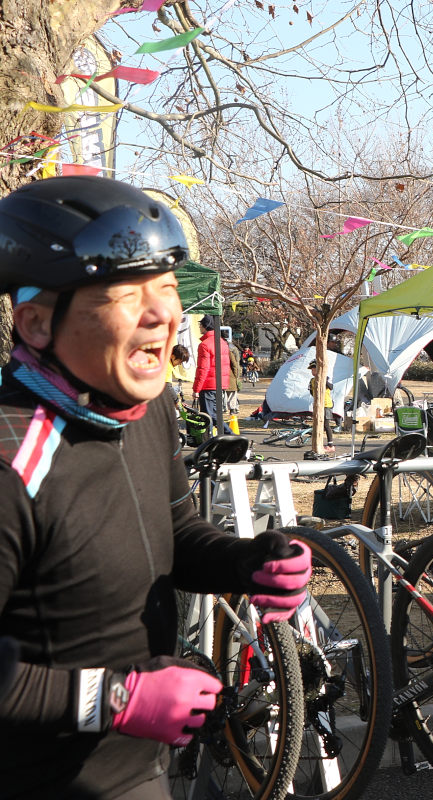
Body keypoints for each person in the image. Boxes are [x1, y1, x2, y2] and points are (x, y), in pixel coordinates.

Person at [0, 175, 313, 799]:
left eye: (167, 287)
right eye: (125, 292)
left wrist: (246, 562)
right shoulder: (11, 458)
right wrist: (119, 698)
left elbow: (172, 532)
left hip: (146, 772)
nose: (163, 314)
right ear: (35, 322)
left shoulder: (150, 408)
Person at [191, 314, 236, 436]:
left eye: (200, 325)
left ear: (205, 326)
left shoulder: (204, 345)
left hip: (208, 385)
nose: (199, 327)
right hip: (220, 383)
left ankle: (229, 437)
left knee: (209, 416)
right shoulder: (222, 342)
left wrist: (196, 389)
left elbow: (203, 369)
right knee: (213, 415)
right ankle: (216, 439)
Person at [309, 360, 336, 453]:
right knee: (317, 424)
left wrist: (323, 379)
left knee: (326, 424)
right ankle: (318, 443)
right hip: (318, 405)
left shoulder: (326, 378)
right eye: (312, 370)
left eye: (314, 369)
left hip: (326, 404)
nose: (313, 372)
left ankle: (330, 445)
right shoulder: (312, 380)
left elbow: (331, 387)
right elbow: (311, 392)